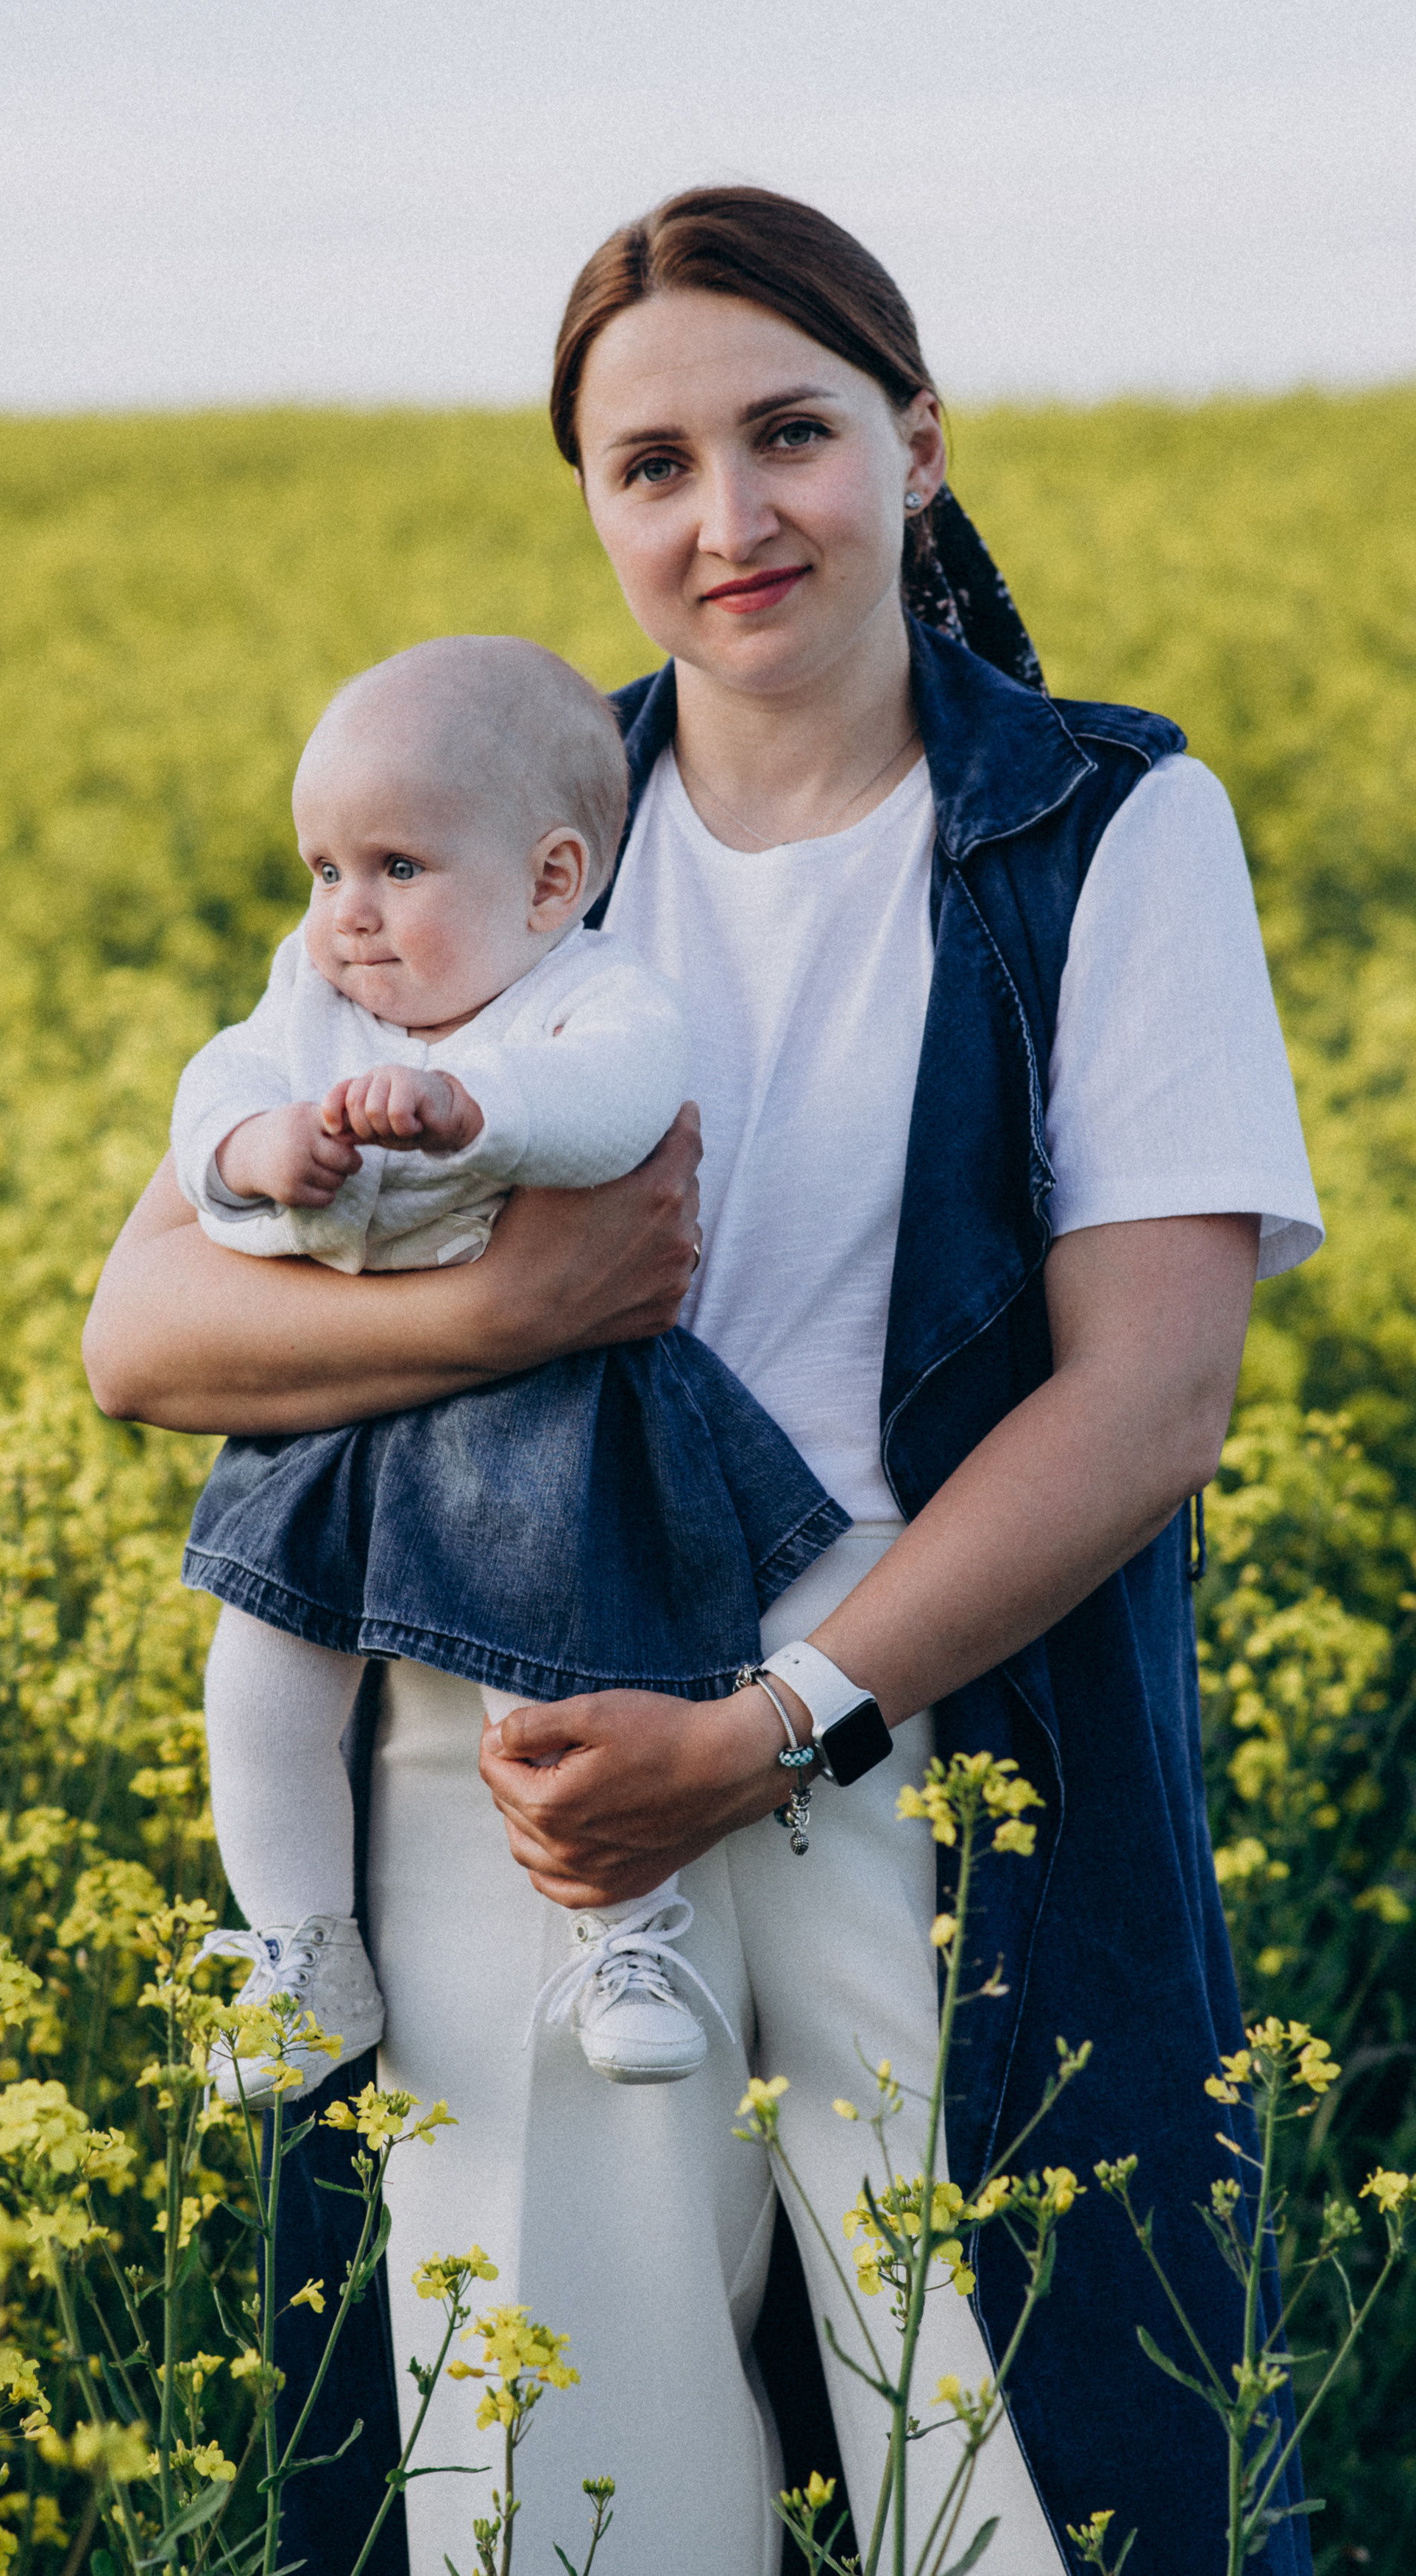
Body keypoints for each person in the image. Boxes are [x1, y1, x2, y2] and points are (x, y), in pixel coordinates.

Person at [83, 186, 1325, 2576]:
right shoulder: (505, 823)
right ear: (588, 506)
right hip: (517, 1756)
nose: (726, 518)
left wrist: (762, 1733)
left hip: (926, 1732)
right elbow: (150, 1329)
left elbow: (1150, 1401)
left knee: (1024, 2479)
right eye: (650, 465)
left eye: (789, 435)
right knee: (559, 2498)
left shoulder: (1100, 821)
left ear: (918, 443)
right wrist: (513, 1315)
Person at [169, 633, 844, 2097]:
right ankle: (301, 1950)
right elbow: (218, 1080)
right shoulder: (320, 990)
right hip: (344, 1406)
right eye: (322, 869)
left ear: (548, 882)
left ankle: (623, 1931)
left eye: (396, 868)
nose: (347, 914)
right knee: (259, 1672)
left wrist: (470, 1105)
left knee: (549, 1675)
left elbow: (616, 1101)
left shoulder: (587, 996)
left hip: (547, 1416)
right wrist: (248, 1150)